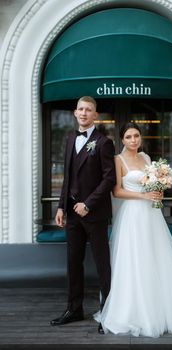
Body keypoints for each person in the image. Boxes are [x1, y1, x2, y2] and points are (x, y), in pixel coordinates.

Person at [94, 122, 172, 338]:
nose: (133, 140)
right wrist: (143, 196)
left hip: (152, 215)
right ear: (122, 140)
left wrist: (157, 191)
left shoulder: (146, 158)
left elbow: (152, 183)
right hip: (133, 215)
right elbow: (117, 191)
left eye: (136, 136)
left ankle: (162, 308)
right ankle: (134, 310)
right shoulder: (118, 160)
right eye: (128, 137)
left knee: (156, 256)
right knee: (135, 258)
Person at [50, 96, 116, 334]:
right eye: (81, 109)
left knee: (102, 265)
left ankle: (108, 314)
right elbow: (68, 177)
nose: (84, 113)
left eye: (89, 110)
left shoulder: (104, 142)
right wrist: (60, 207)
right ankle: (74, 309)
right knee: (73, 263)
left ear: (95, 115)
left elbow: (110, 178)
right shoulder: (69, 139)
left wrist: (88, 204)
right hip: (72, 215)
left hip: (95, 214)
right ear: (75, 113)